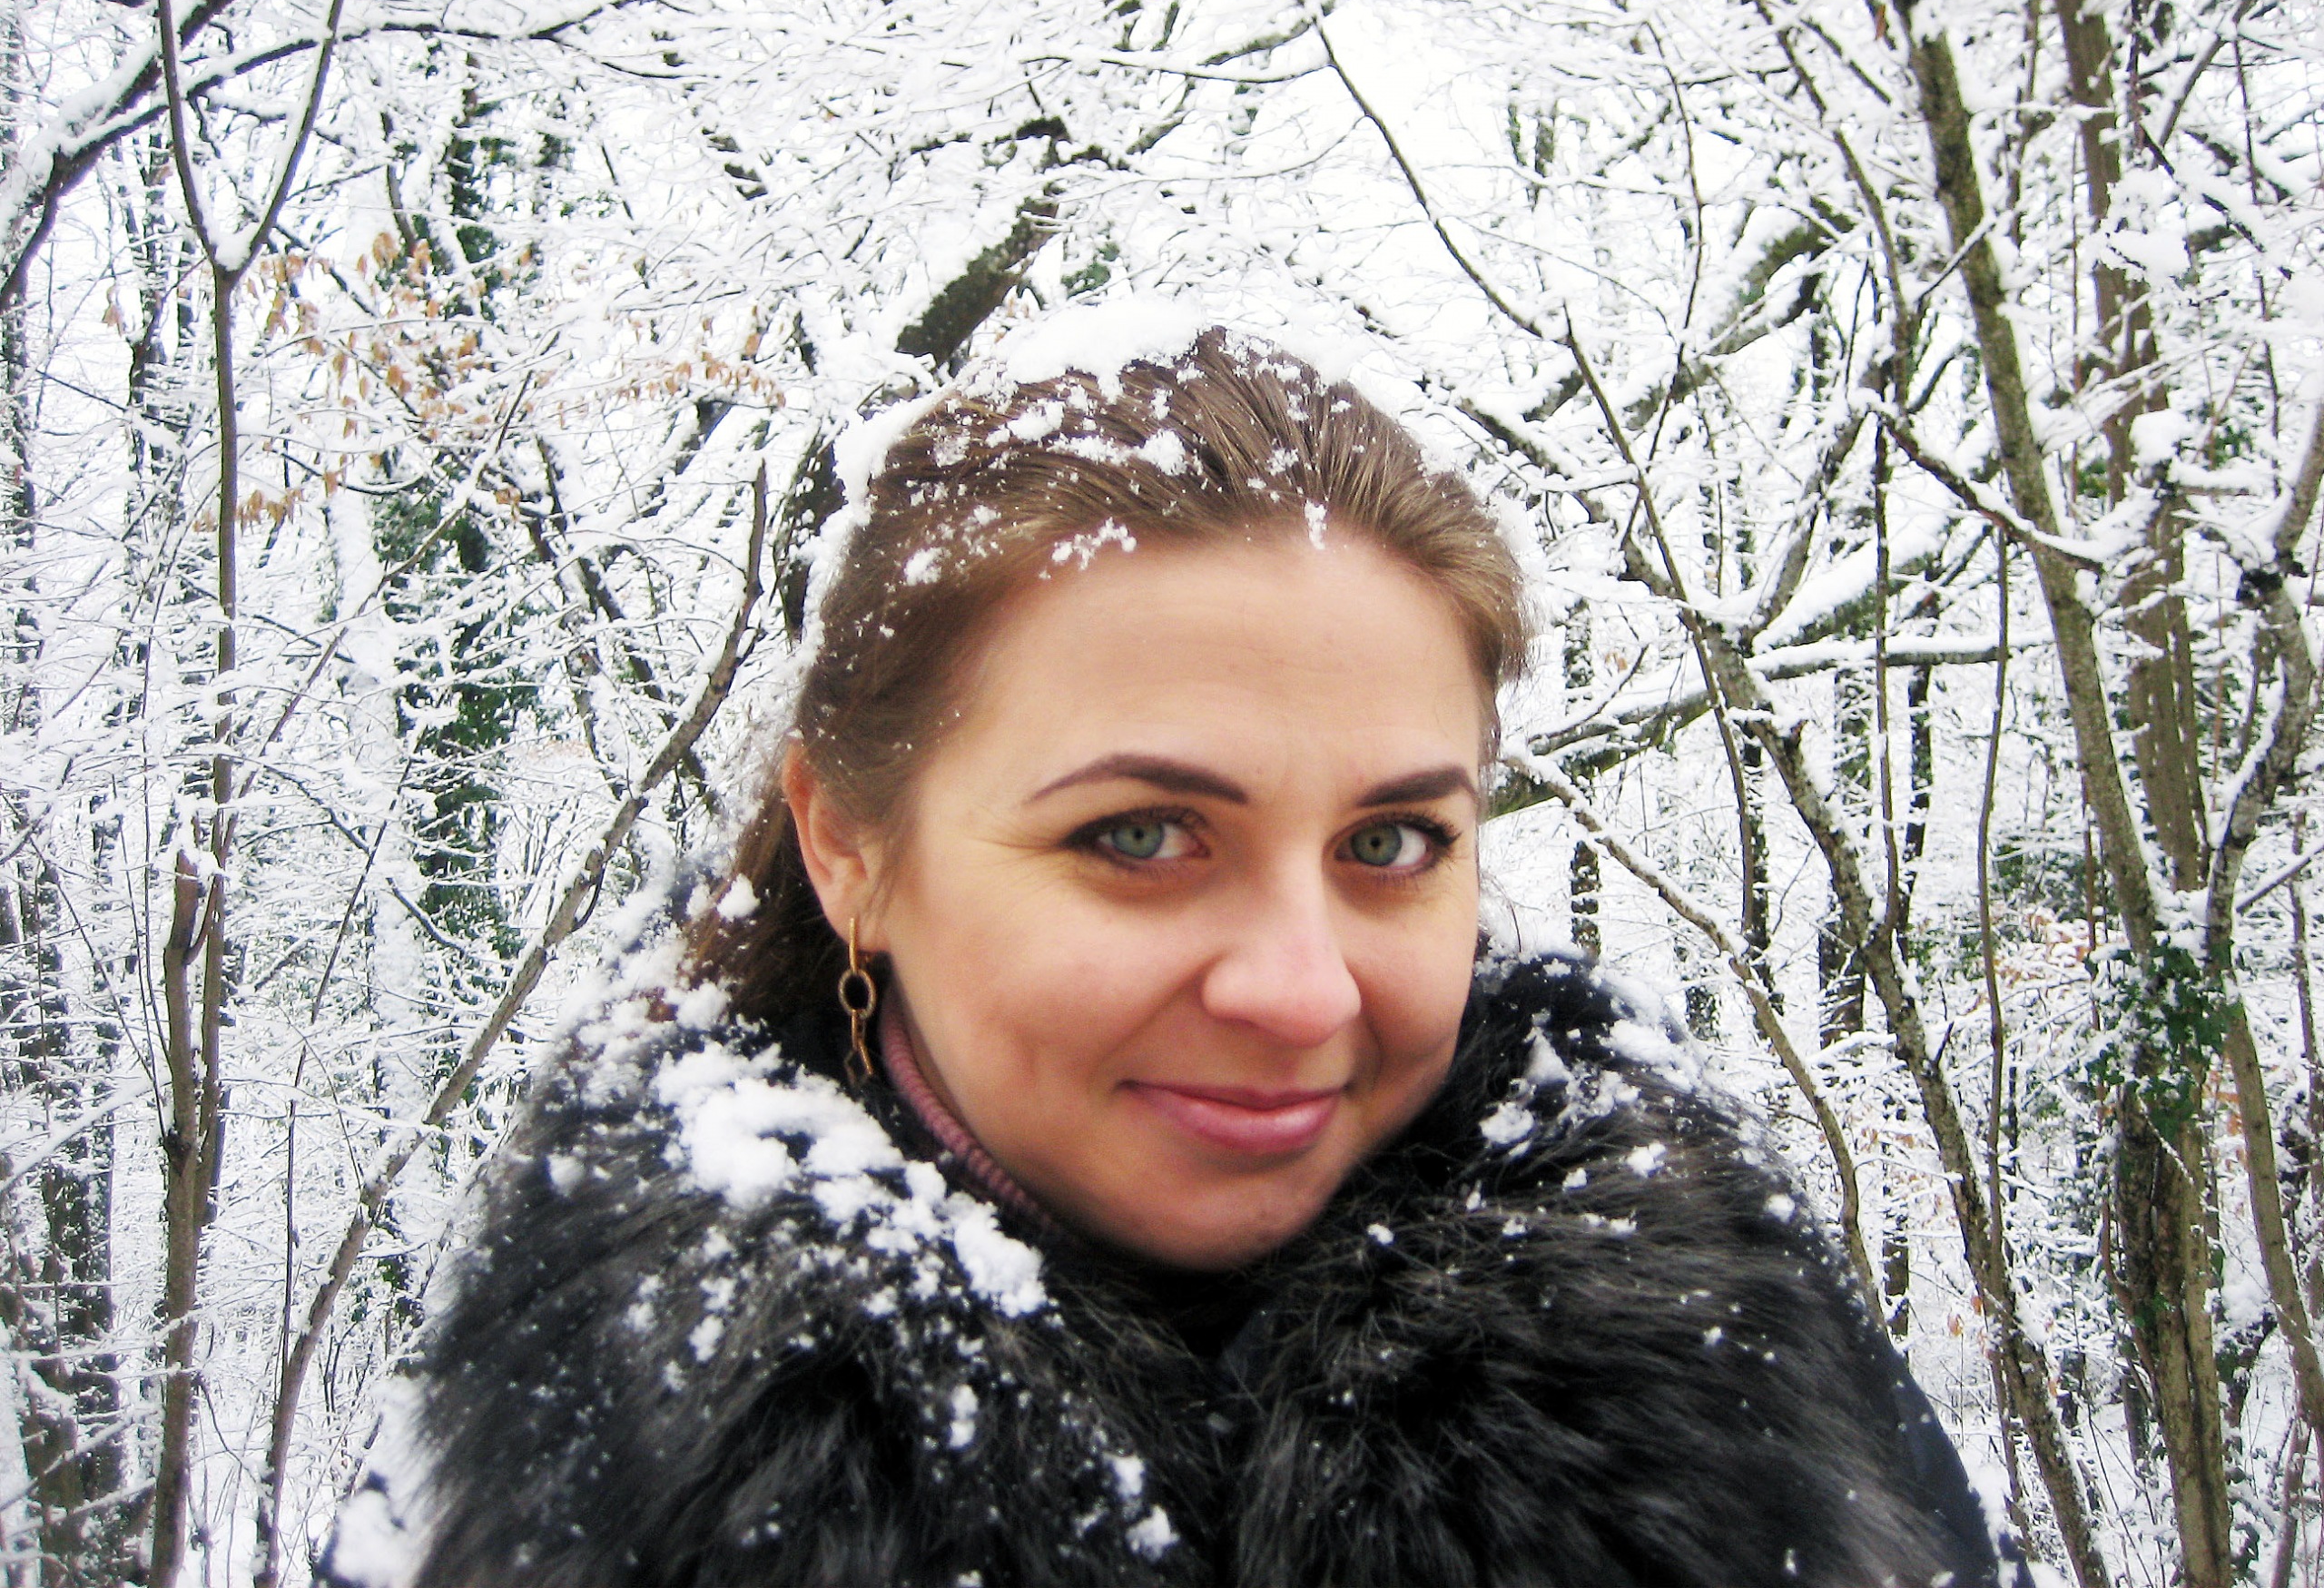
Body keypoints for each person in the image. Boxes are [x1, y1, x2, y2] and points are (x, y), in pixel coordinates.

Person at [330, 307, 2014, 1588]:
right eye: (1138, 837)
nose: (1297, 990)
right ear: (850, 848)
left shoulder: (1742, 1385)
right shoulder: (570, 1470)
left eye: (1390, 845)